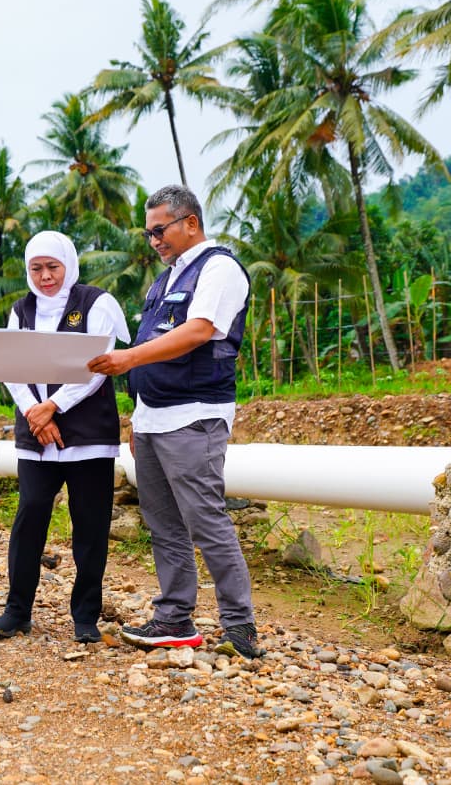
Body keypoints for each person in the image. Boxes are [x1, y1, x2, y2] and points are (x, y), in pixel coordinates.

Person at [87, 184, 263, 659]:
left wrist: (127, 360)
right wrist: (138, 412)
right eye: (148, 234)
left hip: (194, 417)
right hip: (153, 419)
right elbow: (156, 345)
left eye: (160, 230)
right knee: (163, 524)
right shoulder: (164, 281)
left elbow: (200, 330)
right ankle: (174, 617)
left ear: (190, 223)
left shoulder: (219, 269)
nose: (154, 241)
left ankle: (240, 625)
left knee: (206, 520)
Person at [0, 232, 131, 644]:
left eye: (53, 267)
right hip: (37, 437)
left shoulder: (96, 302)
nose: (45, 276)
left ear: (68, 264)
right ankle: (17, 610)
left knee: (90, 524)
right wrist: (37, 412)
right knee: (30, 516)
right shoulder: (21, 309)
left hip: (88, 436)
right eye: (37, 268)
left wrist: (54, 407)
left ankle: (85, 616)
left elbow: (97, 366)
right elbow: (12, 367)